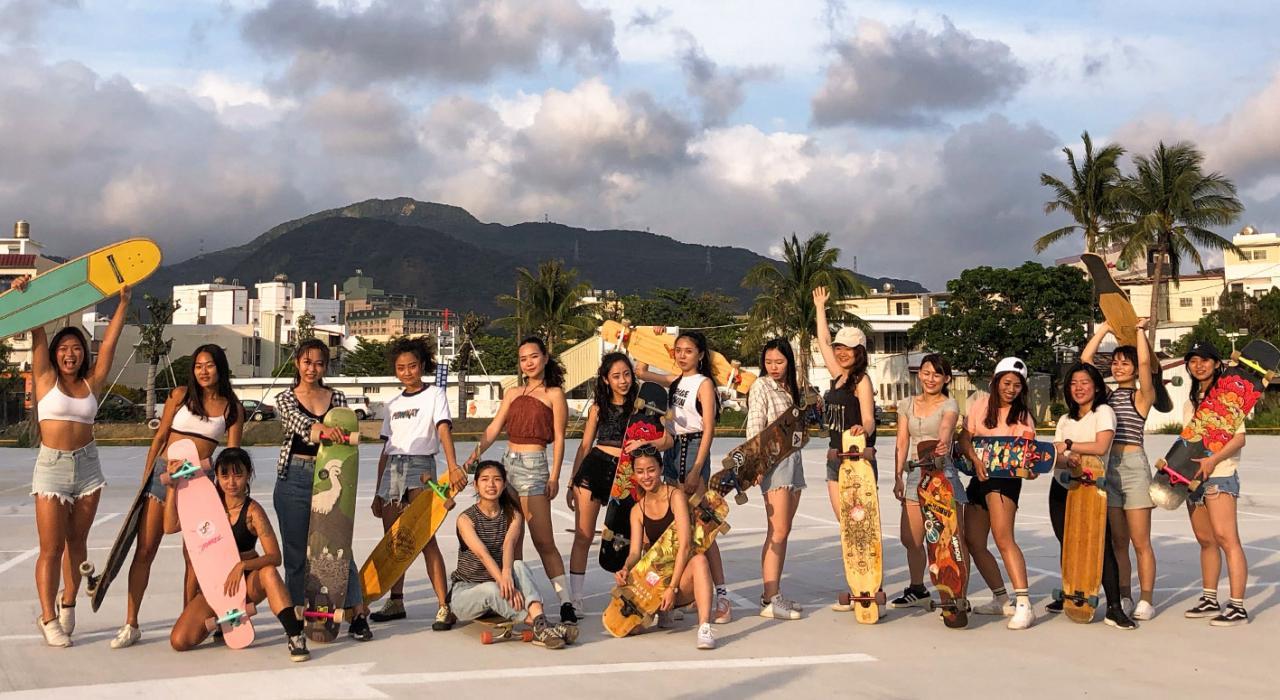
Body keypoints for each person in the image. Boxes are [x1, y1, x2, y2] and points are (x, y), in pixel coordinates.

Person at [13, 275, 129, 647]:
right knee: (51, 548)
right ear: (54, 353)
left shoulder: (92, 382)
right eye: (64, 348)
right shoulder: (45, 377)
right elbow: (38, 330)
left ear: (83, 354)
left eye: (76, 348)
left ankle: (68, 602)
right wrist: (26, 293)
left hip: (89, 467)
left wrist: (123, 302)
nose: (70, 354)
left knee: (77, 543)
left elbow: (109, 344)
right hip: (52, 467)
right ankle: (48, 618)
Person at [112, 345, 244, 649]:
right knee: (145, 549)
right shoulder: (180, 395)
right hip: (164, 478)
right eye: (198, 366)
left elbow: (232, 456)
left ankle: (189, 619)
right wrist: (147, 479)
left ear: (220, 367)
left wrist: (216, 483)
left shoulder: (232, 408)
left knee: (196, 557)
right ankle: (131, 623)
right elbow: (159, 438)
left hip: (201, 484)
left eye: (209, 365)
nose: (203, 371)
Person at [164, 449, 310, 661]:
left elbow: (275, 557)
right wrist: (172, 487)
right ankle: (221, 621)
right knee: (180, 641)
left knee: (269, 573)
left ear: (248, 474)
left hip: (245, 585)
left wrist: (242, 566)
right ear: (216, 475)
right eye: (224, 476)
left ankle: (295, 635)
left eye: (238, 475)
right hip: (214, 588)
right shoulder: (208, 506)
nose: (231, 482)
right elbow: (170, 527)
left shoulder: (253, 512)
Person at [469, 337, 576, 623]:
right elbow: (494, 428)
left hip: (534, 466)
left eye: (534, 356)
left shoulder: (554, 394)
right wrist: (473, 456)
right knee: (511, 540)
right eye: (523, 359)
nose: (528, 363)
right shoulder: (513, 392)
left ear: (545, 358)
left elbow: (560, 438)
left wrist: (555, 476)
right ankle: (517, 602)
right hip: (508, 466)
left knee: (543, 540)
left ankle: (566, 603)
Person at [272, 339, 372, 641]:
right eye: (306, 362)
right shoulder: (284, 398)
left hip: (331, 477)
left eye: (318, 363)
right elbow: (300, 424)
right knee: (295, 554)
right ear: (297, 363)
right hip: (294, 477)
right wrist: (324, 432)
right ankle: (298, 618)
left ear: (325, 366)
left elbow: (348, 430)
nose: (312, 368)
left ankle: (357, 613)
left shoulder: (337, 397)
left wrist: (341, 434)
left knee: (339, 548)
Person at [368, 337, 466, 629]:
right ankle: (396, 601)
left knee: (424, 539)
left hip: (421, 467)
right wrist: (377, 491)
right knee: (394, 540)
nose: (407, 372)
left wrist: (452, 466)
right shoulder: (393, 404)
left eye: (412, 366)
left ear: (422, 365)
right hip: (392, 470)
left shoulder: (435, 394)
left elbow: (444, 430)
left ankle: (444, 605)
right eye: (401, 368)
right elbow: (386, 449)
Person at [634, 330, 730, 624]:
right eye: (678, 350)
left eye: (688, 350)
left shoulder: (704, 384)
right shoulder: (675, 381)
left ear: (700, 354)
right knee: (676, 527)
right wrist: (651, 335)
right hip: (673, 450)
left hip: (694, 450)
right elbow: (641, 372)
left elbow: (709, 429)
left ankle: (722, 596)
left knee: (702, 529)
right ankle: (680, 594)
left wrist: (697, 468)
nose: (682, 355)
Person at [566, 352, 670, 609]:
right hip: (594, 469)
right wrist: (571, 483)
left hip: (628, 473)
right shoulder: (597, 408)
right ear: (605, 379)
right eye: (616, 376)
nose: (623, 381)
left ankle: (638, 595)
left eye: (626, 374)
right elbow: (585, 445)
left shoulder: (643, 406)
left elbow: (667, 439)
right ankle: (575, 598)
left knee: (640, 539)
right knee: (583, 536)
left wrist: (646, 443)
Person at [1080, 320, 1157, 620]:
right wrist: (1104, 329)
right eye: (1115, 363)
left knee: (1141, 541)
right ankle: (1125, 595)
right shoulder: (1107, 397)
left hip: (1134, 467)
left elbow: (1146, 363)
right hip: (1108, 467)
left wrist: (1139, 332)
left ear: (1135, 370)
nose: (1118, 367)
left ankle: (1146, 599)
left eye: (1125, 363)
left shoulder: (1142, 396)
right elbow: (1086, 361)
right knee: (1118, 543)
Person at [448, 460, 571, 649]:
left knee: (518, 565)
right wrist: (501, 579)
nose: (491, 484)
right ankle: (540, 625)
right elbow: (482, 554)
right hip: (467, 594)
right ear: (476, 485)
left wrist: (506, 574)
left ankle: (539, 620)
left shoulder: (513, 515)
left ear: (504, 484)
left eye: (497, 479)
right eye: (485, 479)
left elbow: (509, 545)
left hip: (501, 591)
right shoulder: (465, 519)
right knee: (491, 588)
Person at [1050, 362, 1135, 630]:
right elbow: (1057, 456)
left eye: (1084, 382)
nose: (1079, 388)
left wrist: (1069, 446)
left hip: (1092, 488)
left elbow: (1101, 446)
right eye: (1073, 383)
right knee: (1067, 543)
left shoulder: (1103, 412)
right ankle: (1070, 593)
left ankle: (1114, 607)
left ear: (1097, 386)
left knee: (1100, 545)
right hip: (1062, 486)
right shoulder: (1065, 420)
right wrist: (1066, 458)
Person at [812, 287, 878, 611]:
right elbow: (823, 342)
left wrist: (862, 430)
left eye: (847, 349)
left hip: (858, 462)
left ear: (859, 352)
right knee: (847, 526)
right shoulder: (837, 378)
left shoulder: (861, 381)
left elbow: (869, 419)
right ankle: (857, 585)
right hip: (835, 460)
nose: (840, 353)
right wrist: (820, 307)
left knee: (861, 524)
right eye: (839, 348)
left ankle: (871, 587)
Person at [958, 357, 1036, 630]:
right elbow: (965, 437)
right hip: (979, 479)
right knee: (973, 541)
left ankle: (1024, 604)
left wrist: (1030, 467)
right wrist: (973, 458)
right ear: (995, 381)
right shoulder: (979, 405)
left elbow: (1026, 454)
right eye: (1007, 383)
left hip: (1004, 482)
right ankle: (1001, 599)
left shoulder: (1023, 416)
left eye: (1017, 385)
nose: (1011, 389)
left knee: (1004, 539)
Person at [614, 447, 717, 649]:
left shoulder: (675, 496)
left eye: (651, 470)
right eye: (640, 471)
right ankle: (662, 611)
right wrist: (625, 568)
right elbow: (634, 553)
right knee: (632, 629)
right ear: (634, 474)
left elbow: (685, 545)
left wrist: (672, 588)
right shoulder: (637, 510)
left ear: (661, 468)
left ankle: (704, 627)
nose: (646, 476)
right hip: (655, 582)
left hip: (680, 580)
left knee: (699, 560)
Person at [1179, 342, 1250, 626]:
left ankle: (1237, 606)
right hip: (1194, 478)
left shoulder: (1228, 397)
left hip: (1219, 474)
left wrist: (1213, 460)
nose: (1199, 366)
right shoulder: (1190, 403)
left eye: (1205, 360)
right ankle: (1210, 598)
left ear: (1217, 364)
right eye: (1193, 361)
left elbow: (1239, 439)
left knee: (1226, 539)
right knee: (1206, 540)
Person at [890, 353, 963, 610]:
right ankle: (918, 588)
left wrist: (942, 443)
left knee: (948, 538)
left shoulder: (949, 404)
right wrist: (897, 476)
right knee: (910, 538)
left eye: (937, 374)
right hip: (915, 473)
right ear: (919, 374)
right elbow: (902, 441)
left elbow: (946, 429)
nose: (931, 379)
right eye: (927, 373)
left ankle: (955, 593)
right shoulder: (907, 404)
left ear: (946, 379)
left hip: (942, 474)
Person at [747, 339, 806, 619]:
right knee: (778, 531)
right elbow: (755, 424)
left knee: (783, 530)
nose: (773, 367)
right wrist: (755, 463)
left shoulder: (790, 389)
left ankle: (774, 593)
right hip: (773, 462)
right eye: (768, 362)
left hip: (793, 459)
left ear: (789, 363)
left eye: (779, 362)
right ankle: (769, 598)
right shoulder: (761, 386)